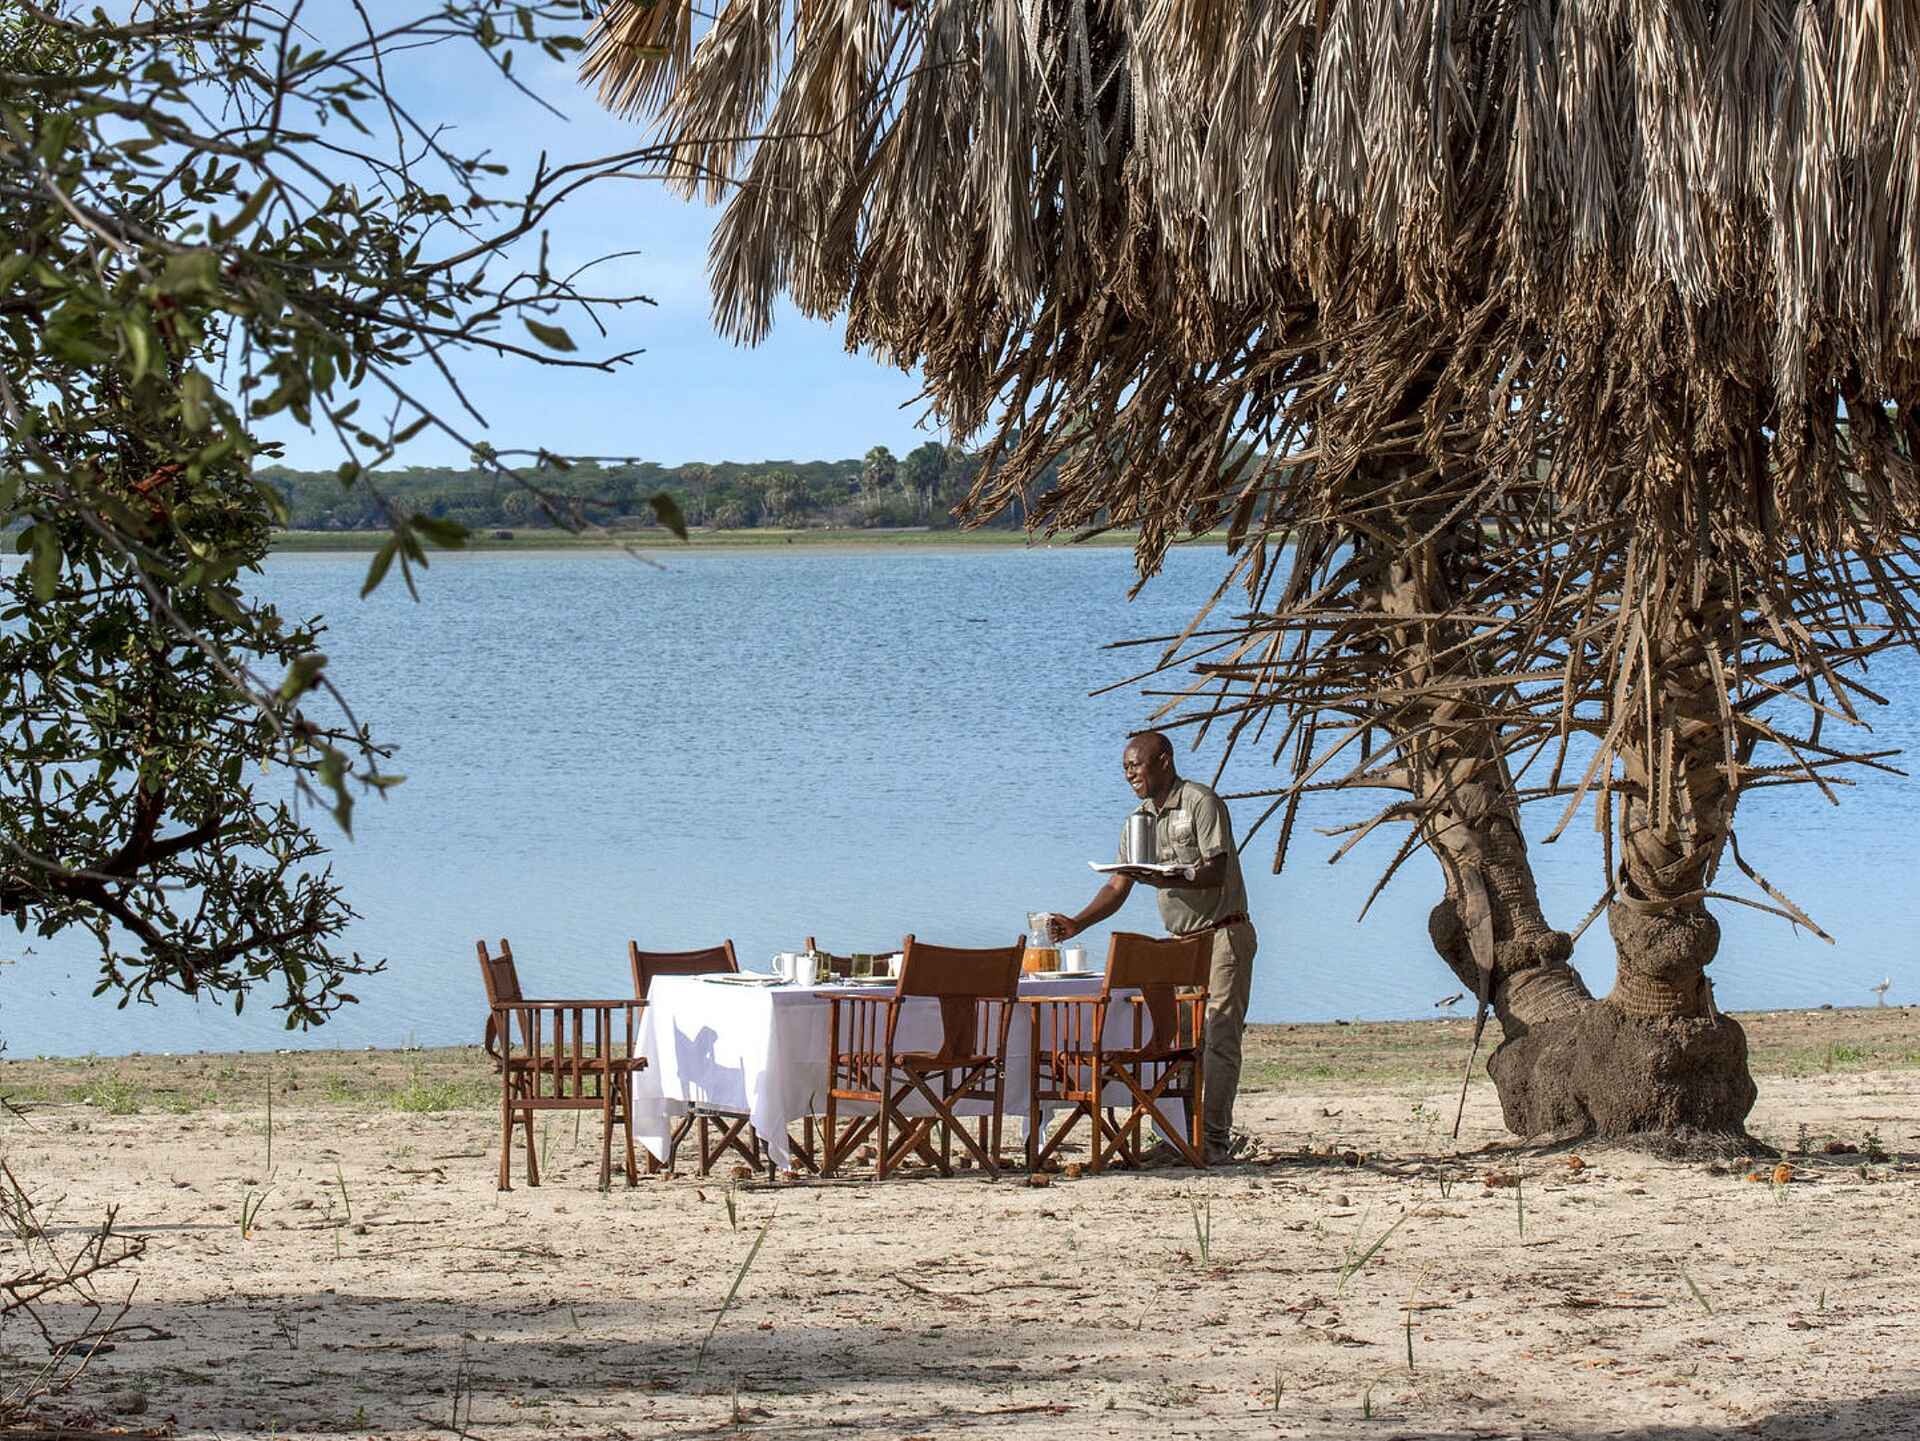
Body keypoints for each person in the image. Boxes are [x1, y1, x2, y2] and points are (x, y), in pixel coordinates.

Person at [1046, 730, 1257, 1164]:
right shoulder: (1138, 820)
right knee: (1179, 1040)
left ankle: (1213, 1139)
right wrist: (1076, 923)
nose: (1129, 775)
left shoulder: (1200, 802)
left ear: (1164, 760)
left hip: (1222, 934)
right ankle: (1181, 1136)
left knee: (1218, 1035)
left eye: (1136, 765)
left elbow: (1215, 871)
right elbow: (1119, 884)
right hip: (1179, 943)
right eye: (1125, 768)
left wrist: (1165, 878)